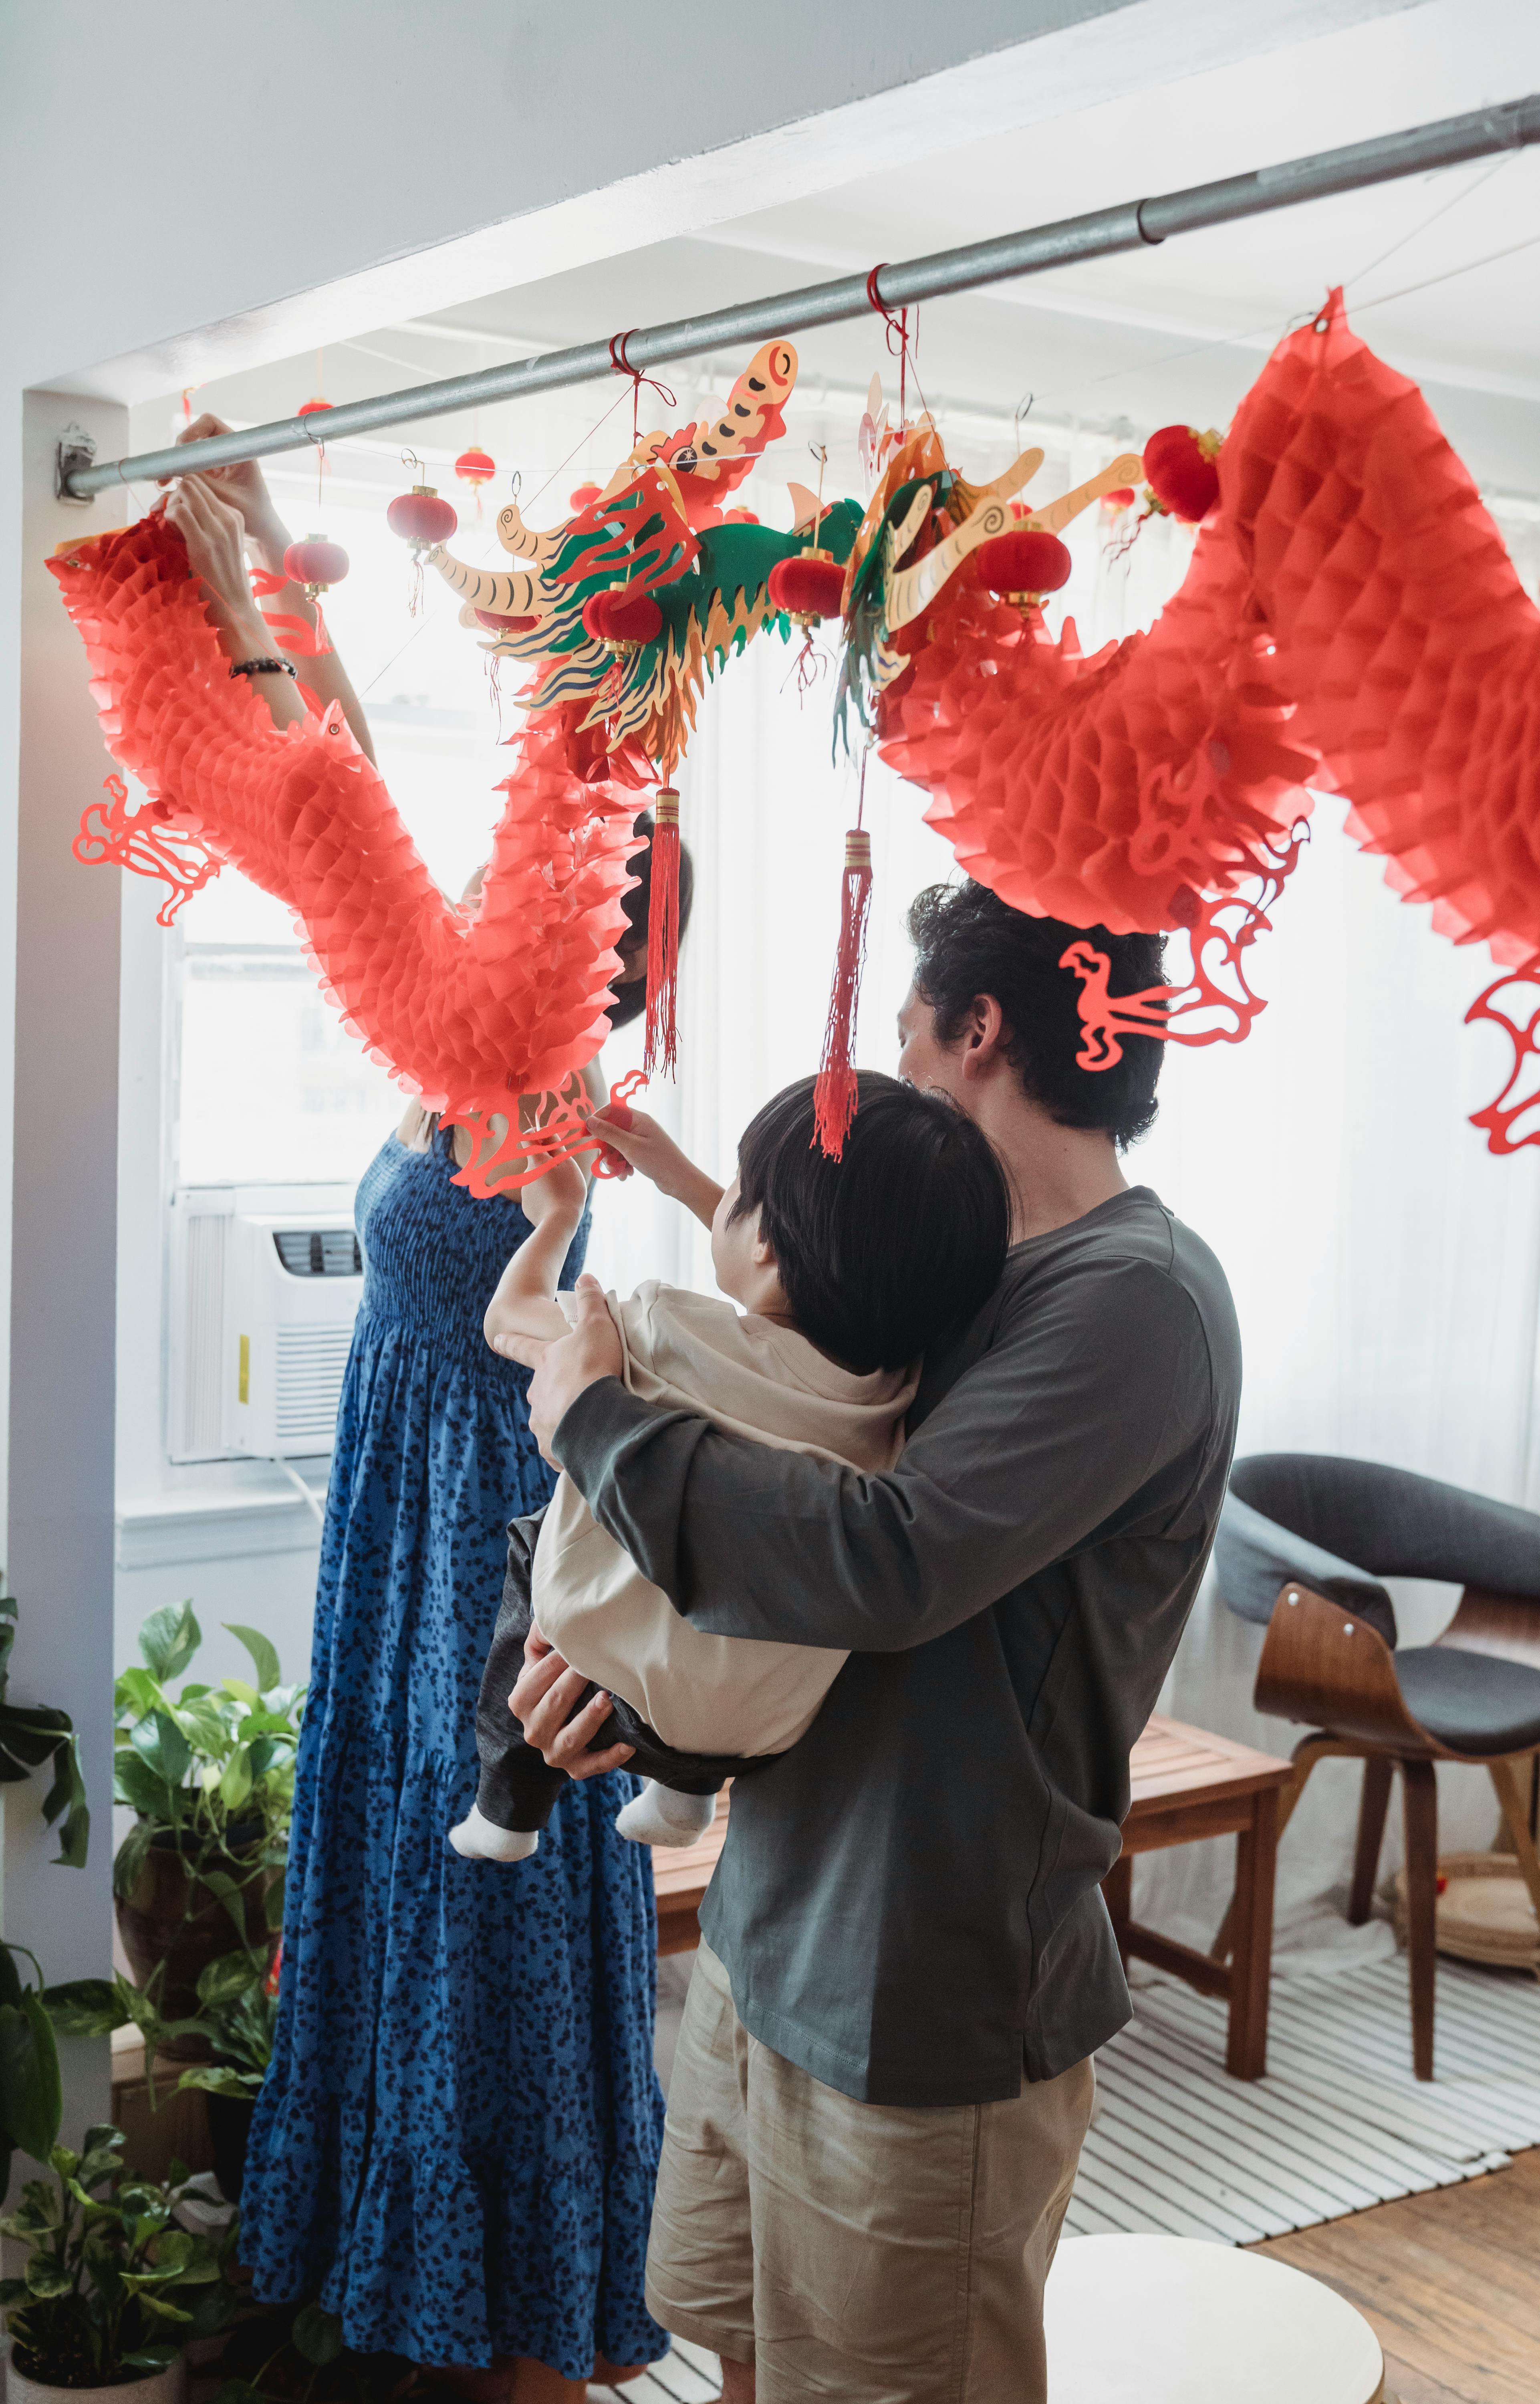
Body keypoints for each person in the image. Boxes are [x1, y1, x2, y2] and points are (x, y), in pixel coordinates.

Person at [504, 880, 1243, 2404]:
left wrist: (597, 1423)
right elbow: (798, 1362)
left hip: (928, 1988)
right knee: (750, 2357)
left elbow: (889, 1559)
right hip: (775, 1928)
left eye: (908, 1036)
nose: (894, 1072)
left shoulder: (1134, 1305)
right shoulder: (952, 1261)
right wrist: (614, 1686)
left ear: (978, 1032)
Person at [160, 420, 689, 2402]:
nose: (480, 884)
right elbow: (355, 808)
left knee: (494, 1937)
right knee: (415, 1910)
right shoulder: (460, 1024)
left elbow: (355, 797)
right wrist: (255, 573)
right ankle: (432, 2313)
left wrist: (254, 578)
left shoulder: (529, 1073)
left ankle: (527, 2339)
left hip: (482, 1542)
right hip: (401, 1530)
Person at [453, 1071, 1010, 1859]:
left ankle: (505, 1810)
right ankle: (682, 1800)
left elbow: (508, 1321)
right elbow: (820, 1261)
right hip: (749, 1729)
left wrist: (557, 1217)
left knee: (537, 1538)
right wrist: (678, 1174)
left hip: (607, 1692)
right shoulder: (900, 1390)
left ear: (765, 1243)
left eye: (739, 1190)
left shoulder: (657, 1329)